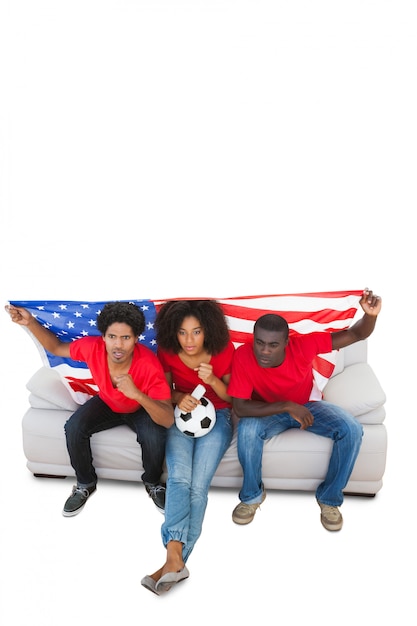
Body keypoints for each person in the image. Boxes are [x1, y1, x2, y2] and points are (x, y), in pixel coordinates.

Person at [227, 288, 382, 532]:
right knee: (247, 431)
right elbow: (241, 407)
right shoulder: (243, 355)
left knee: (352, 429)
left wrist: (370, 316)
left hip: (307, 405)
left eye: (273, 345)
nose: (264, 351)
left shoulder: (304, 346)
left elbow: (355, 333)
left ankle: (329, 499)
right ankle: (251, 496)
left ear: (286, 343)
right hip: (268, 411)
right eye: (260, 343)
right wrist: (287, 406)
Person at [5, 301, 174, 516]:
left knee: (154, 436)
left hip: (140, 406)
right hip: (107, 402)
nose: (118, 345)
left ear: (136, 339)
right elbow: (56, 347)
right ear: (103, 336)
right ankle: (85, 484)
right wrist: (29, 322)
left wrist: (137, 395)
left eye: (126, 338)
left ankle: (153, 483)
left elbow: (168, 419)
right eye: (112, 337)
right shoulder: (92, 347)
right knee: (74, 427)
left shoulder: (149, 365)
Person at [141, 300, 235, 595]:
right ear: (174, 333)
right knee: (179, 478)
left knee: (198, 485)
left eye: (196, 332)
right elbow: (165, 393)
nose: (190, 340)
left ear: (208, 330)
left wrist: (212, 380)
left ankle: (172, 561)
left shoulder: (224, 350)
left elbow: (231, 398)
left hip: (217, 417)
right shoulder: (168, 352)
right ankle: (175, 561)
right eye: (183, 333)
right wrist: (179, 396)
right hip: (181, 418)